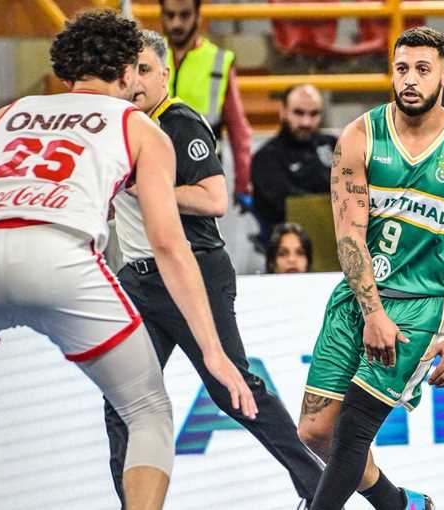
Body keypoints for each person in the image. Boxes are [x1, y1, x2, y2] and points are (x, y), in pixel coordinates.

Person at [0, 10, 253, 510]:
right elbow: (168, 245)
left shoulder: (11, 112)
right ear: (127, 72)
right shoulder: (140, 127)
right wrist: (212, 350)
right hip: (58, 259)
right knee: (146, 410)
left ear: (64, 70)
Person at [104, 31, 323, 509]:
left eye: (145, 70)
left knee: (232, 388)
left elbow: (215, 199)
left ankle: (318, 487)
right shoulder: (122, 127)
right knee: (123, 400)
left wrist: (152, 190)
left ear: (165, 74)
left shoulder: (179, 122)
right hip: (138, 278)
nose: (135, 81)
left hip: (194, 271)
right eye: (127, 71)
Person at [298, 26, 444, 510]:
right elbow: (349, 234)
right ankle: (399, 505)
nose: (410, 79)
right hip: (360, 297)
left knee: (353, 430)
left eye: (423, 69)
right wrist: (371, 313)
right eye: (402, 68)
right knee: (315, 431)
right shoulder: (360, 136)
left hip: (423, 305)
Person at [158, 0, 252, 208]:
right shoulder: (148, 57)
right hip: (154, 167)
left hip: (200, 173)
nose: (176, 23)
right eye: (170, 15)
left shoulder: (218, 60)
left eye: (184, 15)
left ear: (198, 17)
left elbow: (237, 127)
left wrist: (243, 182)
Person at [250, 84, 336, 249]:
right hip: (290, 247)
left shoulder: (334, 145)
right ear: (283, 112)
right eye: (298, 113)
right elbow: (290, 205)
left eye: (314, 114)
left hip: (336, 240)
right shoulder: (266, 158)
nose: (306, 122)